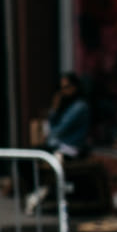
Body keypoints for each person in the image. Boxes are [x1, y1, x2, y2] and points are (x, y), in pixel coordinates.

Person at [23, 73, 91, 215]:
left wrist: (54, 116)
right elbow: (52, 127)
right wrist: (55, 107)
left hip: (69, 149)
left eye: (67, 87)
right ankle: (38, 190)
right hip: (57, 146)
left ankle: (41, 191)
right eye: (61, 88)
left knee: (33, 159)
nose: (64, 92)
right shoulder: (65, 105)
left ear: (75, 87)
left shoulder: (80, 106)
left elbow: (58, 130)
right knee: (26, 158)